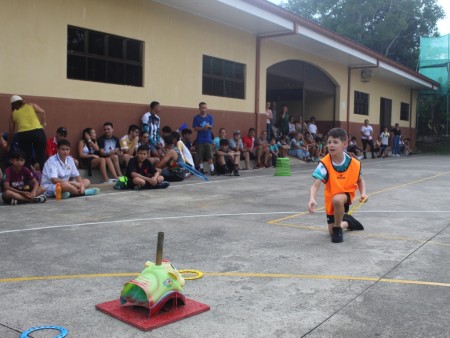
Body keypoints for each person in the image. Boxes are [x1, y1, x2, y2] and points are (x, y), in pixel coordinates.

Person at [308, 128, 368, 243]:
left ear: (344, 144)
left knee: (337, 200)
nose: (331, 145)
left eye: (335, 142)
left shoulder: (353, 163)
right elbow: (315, 185)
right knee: (330, 231)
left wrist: (363, 193)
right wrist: (312, 198)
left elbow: (360, 180)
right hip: (331, 197)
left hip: (346, 194)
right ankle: (347, 222)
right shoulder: (324, 163)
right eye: (329, 142)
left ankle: (337, 229)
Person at [7, 95, 47, 169]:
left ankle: (27, 179)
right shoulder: (31, 105)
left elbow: (11, 132)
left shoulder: (12, 114)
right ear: (22, 101)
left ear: (12, 105)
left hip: (23, 135)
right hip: (38, 132)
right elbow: (42, 112)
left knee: (25, 159)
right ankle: (45, 178)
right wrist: (43, 124)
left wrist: (8, 145)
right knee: (41, 157)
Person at [192, 102, 215, 175]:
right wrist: (203, 128)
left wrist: (209, 126)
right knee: (200, 156)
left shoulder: (210, 117)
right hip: (200, 139)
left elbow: (212, 126)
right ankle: (201, 169)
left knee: (209, 156)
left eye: (205, 107)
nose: (203, 109)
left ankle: (212, 170)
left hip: (208, 139)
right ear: (199, 108)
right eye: (202, 107)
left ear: (207, 108)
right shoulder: (196, 118)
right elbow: (195, 128)